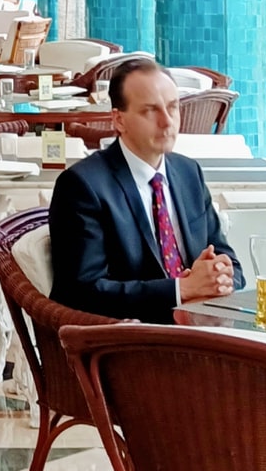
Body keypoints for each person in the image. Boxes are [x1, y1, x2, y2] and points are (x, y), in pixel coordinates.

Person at [48, 55, 240, 320]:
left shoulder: (188, 173)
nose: (167, 121)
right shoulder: (83, 186)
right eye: (150, 110)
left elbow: (230, 261)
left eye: (172, 107)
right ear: (119, 120)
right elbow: (80, 292)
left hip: (202, 328)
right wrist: (180, 289)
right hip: (132, 341)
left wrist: (221, 273)